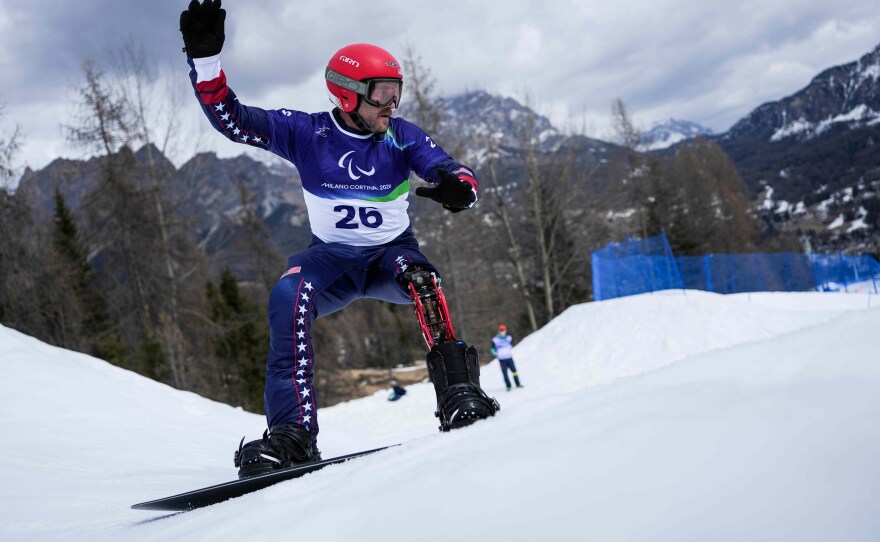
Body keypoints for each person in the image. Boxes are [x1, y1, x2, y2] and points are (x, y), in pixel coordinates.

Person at [180, 0, 499, 478]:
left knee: (424, 279)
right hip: (331, 261)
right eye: (381, 95)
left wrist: (460, 186)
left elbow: (451, 168)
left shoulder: (400, 135)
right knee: (288, 293)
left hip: (392, 256)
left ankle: (459, 394)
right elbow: (233, 119)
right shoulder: (306, 132)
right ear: (348, 94)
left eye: (397, 94)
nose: (391, 105)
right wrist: (206, 62)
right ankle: (293, 437)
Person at [491, 325, 523, 391]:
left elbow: (511, 345)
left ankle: (518, 384)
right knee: (505, 373)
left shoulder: (509, 338)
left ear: (505, 330)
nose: (502, 331)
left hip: (509, 358)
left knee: (514, 371)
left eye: (503, 330)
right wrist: (496, 353)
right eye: (501, 330)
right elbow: (492, 349)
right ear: (499, 331)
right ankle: (508, 386)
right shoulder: (495, 339)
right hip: (502, 360)